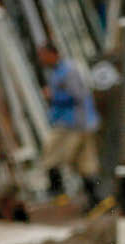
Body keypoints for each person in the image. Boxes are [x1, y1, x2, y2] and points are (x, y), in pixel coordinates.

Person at [36, 43, 104, 210]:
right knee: (85, 163)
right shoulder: (61, 70)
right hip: (82, 122)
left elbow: (78, 95)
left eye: (43, 55)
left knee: (51, 155)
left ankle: (58, 193)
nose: (41, 60)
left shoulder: (68, 71)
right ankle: (98, 199)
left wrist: (53, 95)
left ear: (53, 54)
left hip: (73, 123)